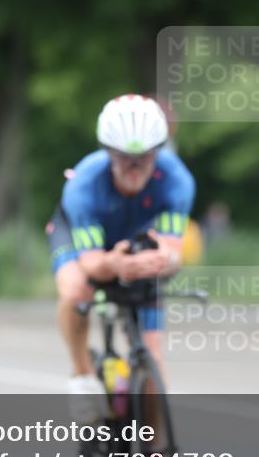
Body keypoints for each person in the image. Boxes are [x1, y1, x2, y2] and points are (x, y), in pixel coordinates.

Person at [46, 94, 195, 424]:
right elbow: (92, 264)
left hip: (134, 241)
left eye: (144, 157)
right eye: (124, 157)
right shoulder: (84, 185)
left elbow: (173, 252)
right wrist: (115, 265)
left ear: (159, 151)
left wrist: (160, 262)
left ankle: (155, 452)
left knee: (152, 353)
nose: (134, 166)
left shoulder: (178, 182)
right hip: (81, 239)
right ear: (108, 152)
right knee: (76, 291)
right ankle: (83, 375)